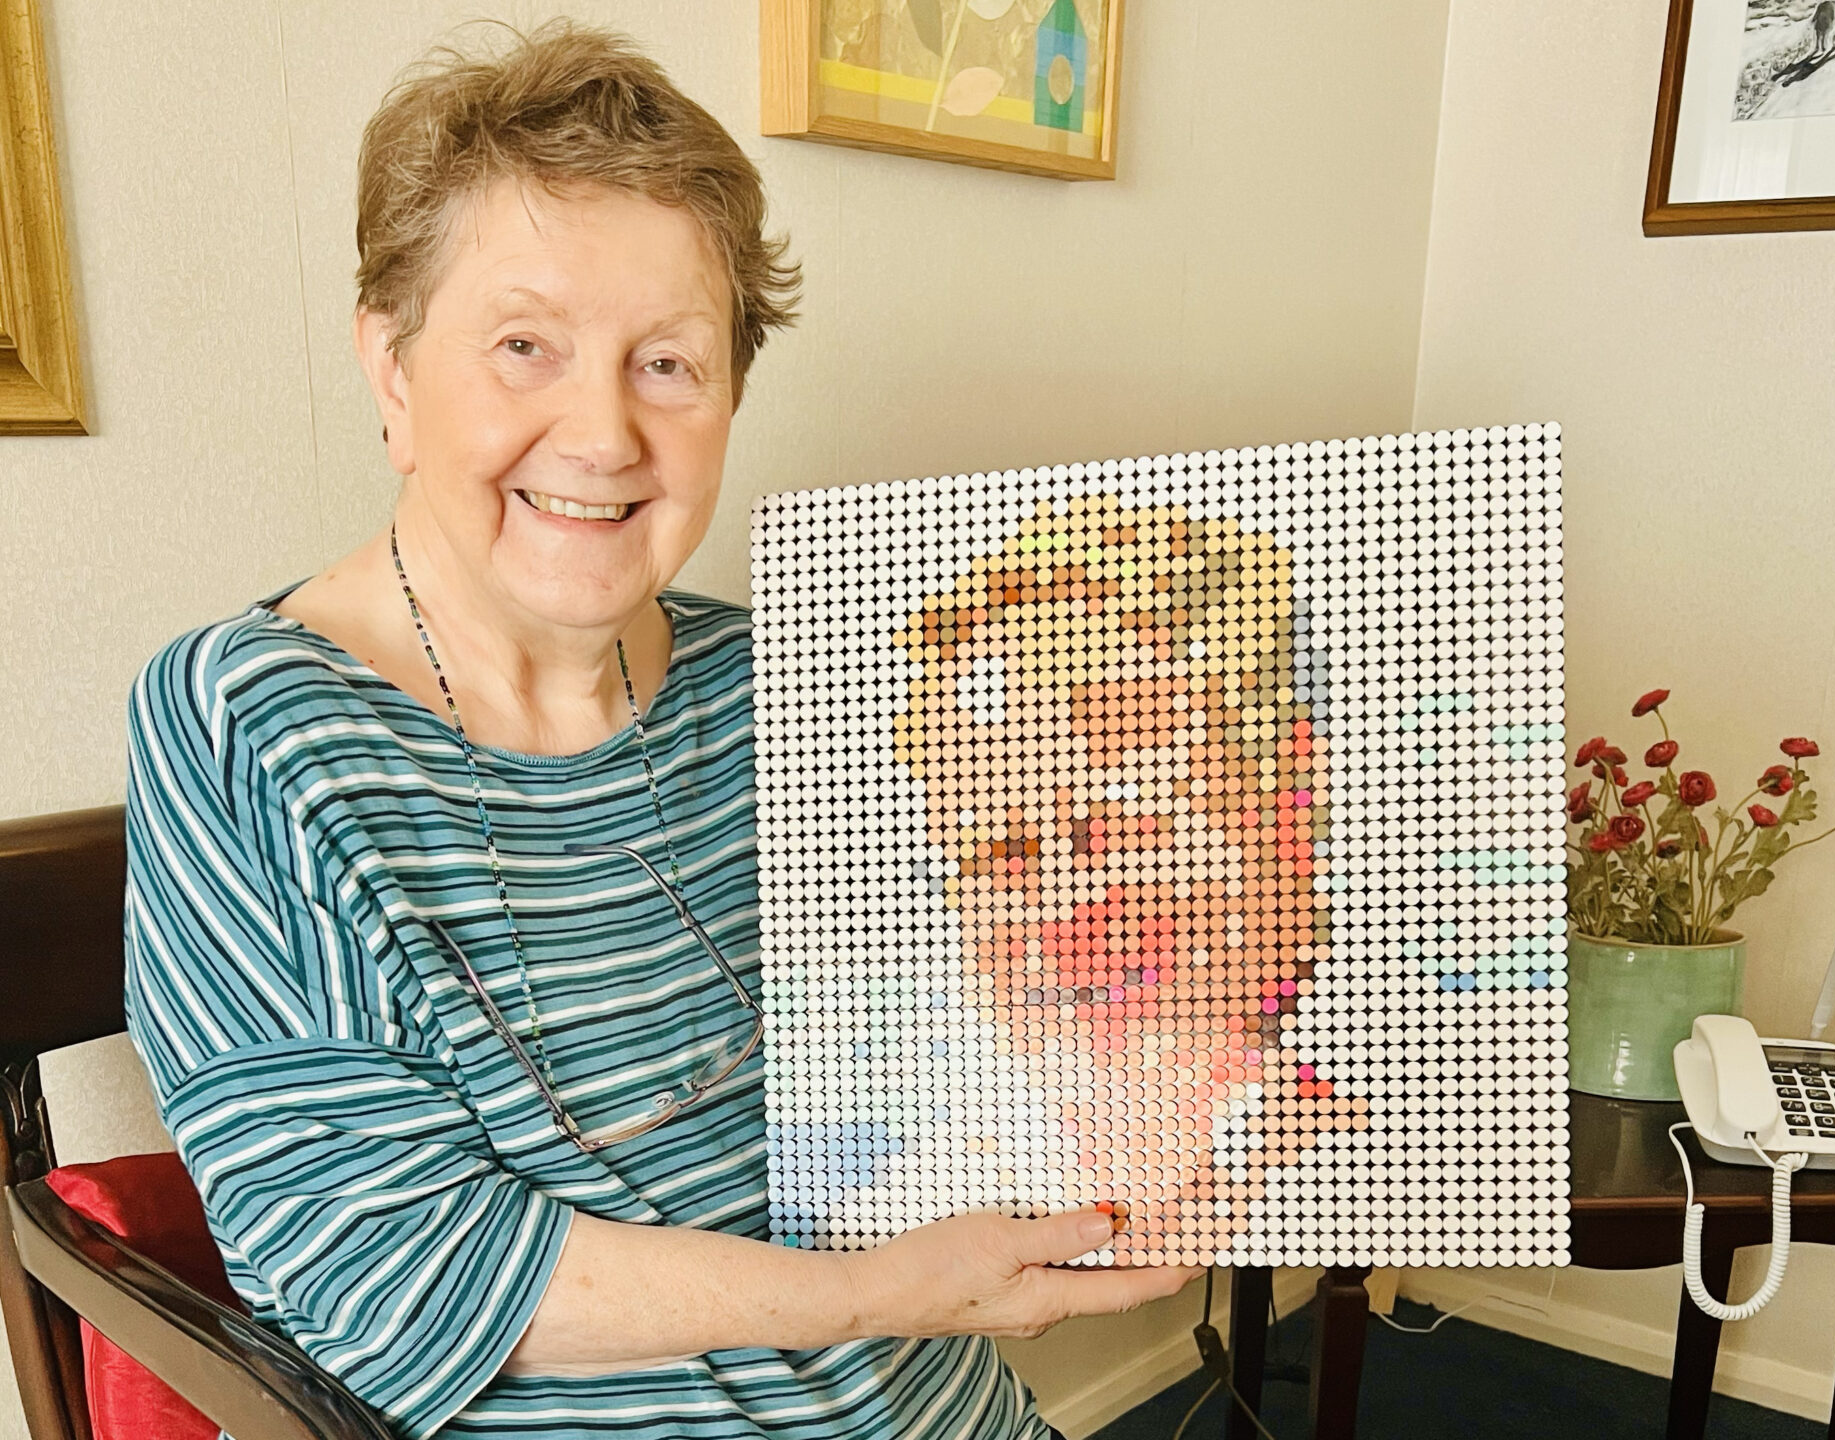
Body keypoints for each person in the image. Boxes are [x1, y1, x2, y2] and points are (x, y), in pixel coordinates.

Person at [122, 23, 1193, 1440]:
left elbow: (949, 1085)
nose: (604, 432)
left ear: (732, 391)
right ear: (392, 370)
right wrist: (876, 1294)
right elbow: (384, 1278)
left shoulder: (783, 685)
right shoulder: (248, 725)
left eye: (669, 364)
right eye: (524, 347)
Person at [888, 500, 1367, 1264]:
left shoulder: (1318, 1139)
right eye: (1007, 854)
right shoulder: (954, 1152)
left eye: (1117, 830)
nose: (1064, 904)